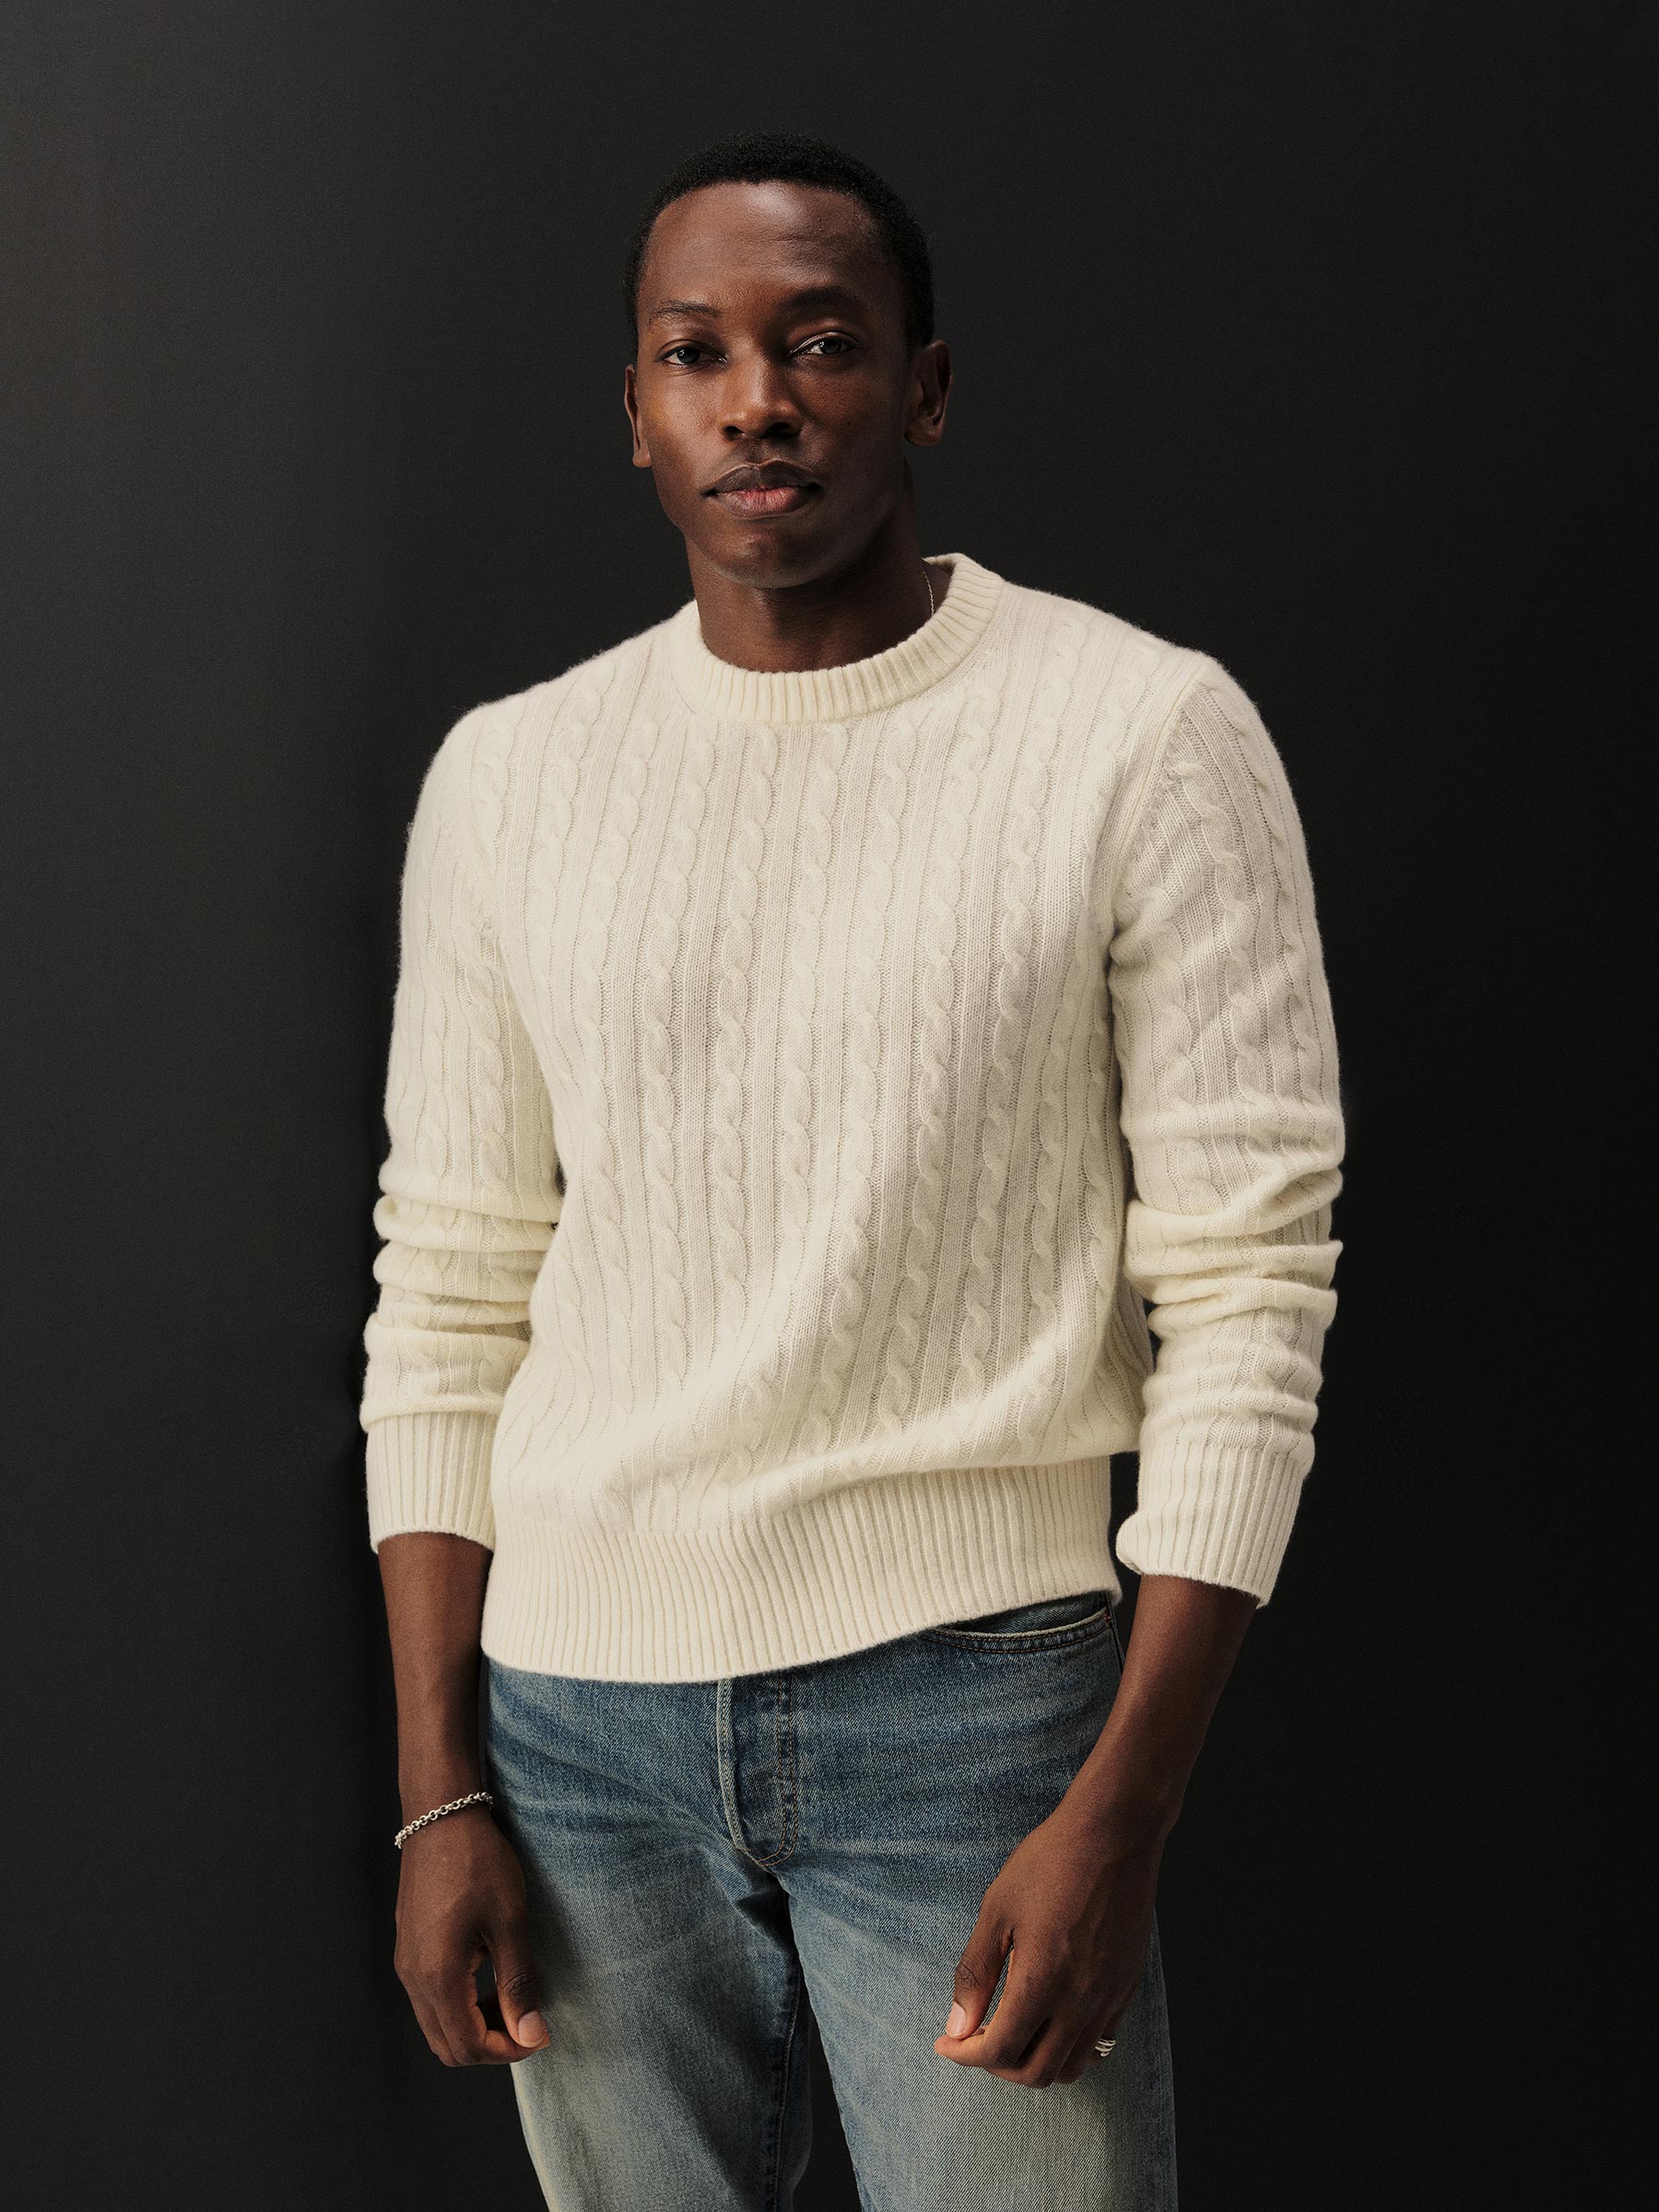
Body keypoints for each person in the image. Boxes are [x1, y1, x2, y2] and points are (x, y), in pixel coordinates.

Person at [359, 128, 1346, 2210]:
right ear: (637, 412)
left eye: (819, 342)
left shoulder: (1142, 736)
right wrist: (441, 1794)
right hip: (572, 1728)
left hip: (982, 1715)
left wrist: (1127, 1808)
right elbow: (448, 1291)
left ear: (925, 386)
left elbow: (1250, 1294)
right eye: (695, 353)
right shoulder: (512, 778)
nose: (758, 401)